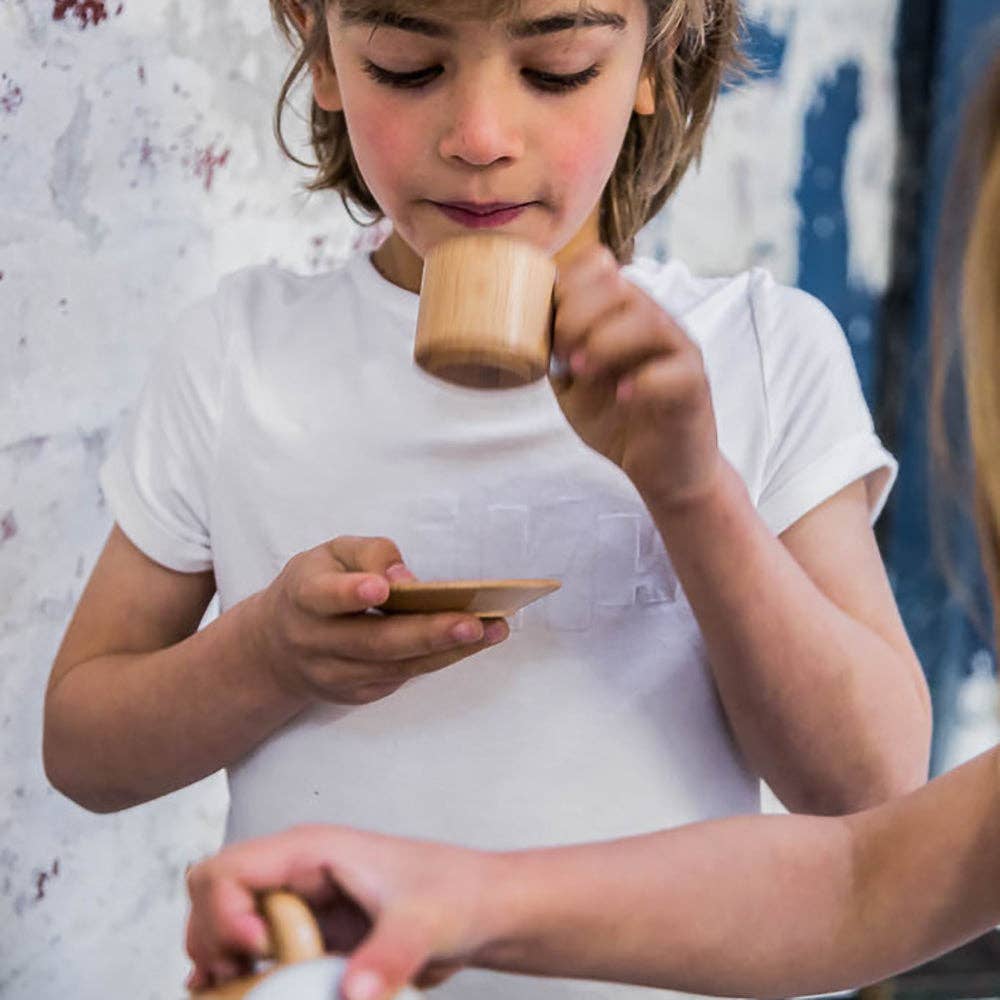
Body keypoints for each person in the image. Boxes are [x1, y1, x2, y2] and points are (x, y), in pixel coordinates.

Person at [44, 2, 930, 998]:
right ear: (318, 43)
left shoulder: (757, 352)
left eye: (554, 70)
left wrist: (692, 493)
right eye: (407, 64)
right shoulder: (237, 355)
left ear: (655, 52)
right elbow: (84, 747)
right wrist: (263, 657)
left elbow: (872, 792)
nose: (478, 139)